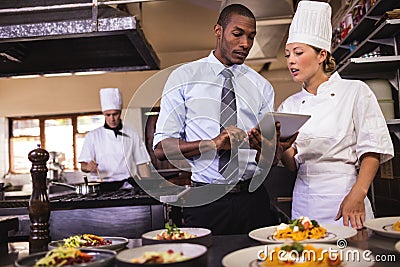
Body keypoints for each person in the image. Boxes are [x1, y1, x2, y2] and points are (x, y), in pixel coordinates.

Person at [153, 4, 295, 235]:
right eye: (237, 34)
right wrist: (214, 144)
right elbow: (161, 149)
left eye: (251, 37)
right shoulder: (184, 77)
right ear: (218, 31)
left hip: (253, 200)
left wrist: (273, 150)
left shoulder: (262, 87)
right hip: (205, 202)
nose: (246, 44)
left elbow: (264, 161)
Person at [278, 1, 394, 229]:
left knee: (351, 259)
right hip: (304, 201)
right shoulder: (288, 105)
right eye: (288, 54)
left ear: (321, 55)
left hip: (346, 197)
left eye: (298, 53)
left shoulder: (355, 91)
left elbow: (372, 149)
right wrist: (280, 147)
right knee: (307, 260)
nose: (291, 60)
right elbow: (292, 165)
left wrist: (358, 194)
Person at [79, 88, 151, 188]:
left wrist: (148, 187)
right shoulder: (92, 136)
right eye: (108, 115)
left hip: (127, 185)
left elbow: (142, 163)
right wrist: (88, 167)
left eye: (115, 114)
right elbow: (83, 165)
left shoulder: (132, 134)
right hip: (102, 185)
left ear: (120, 112)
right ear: (103, 114)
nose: (112, 119)